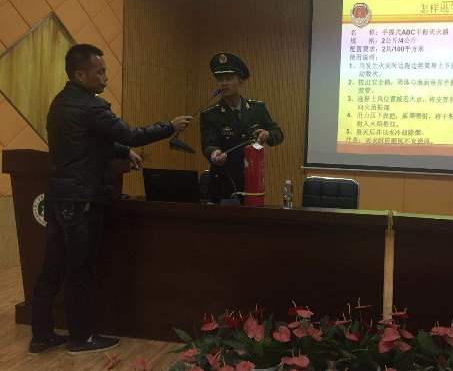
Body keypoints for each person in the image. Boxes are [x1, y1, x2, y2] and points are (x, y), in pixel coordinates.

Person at [29, 44, 192, 355]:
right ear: (80, 75)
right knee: (80, 271)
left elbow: (90, 140)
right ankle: (81, 338)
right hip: (82, 200)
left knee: (52, 269)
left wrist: (122, 152)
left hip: (59, 197)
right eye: (100, 72)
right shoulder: (91, 106)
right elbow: (130, 134)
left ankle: (41, 335)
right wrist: (169, 127)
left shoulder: (61, 102)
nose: (106, 77)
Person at [200, 53, 283, 201]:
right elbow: (208, 144)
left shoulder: (257, 109)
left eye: (229, 78)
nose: (224, 83)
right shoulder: (210, 114)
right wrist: (214, 154)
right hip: (222, 182)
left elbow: (278, 134)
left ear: (240, 81)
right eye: (220, 79)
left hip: (251, 181)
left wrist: (268, 135)